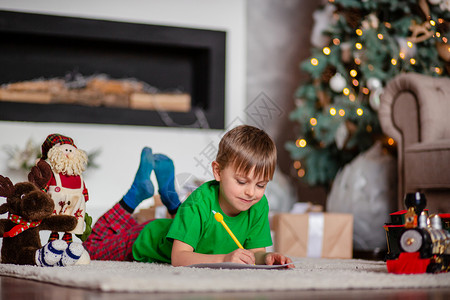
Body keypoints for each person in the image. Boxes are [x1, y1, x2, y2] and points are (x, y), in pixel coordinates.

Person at [84, 125, 293, 267]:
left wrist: (266, 257)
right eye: (241, 181)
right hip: (143, 239)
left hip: (182, 225)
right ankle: (134, 194)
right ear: (218, 172)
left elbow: (255, 252)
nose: (251, 192)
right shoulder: (199, 202)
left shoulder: (258, 204)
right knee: (88, 249)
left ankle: (172, 202)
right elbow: (179, 257)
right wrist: (224, 259)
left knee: (193, 221)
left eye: (261, 185)